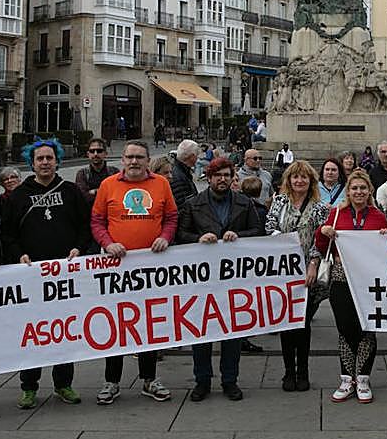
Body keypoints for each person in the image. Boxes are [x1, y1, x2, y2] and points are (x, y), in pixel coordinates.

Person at [1, 139, 90, 409]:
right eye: (40, 158)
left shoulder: (71, 192)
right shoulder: (18, 196)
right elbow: (7, 234)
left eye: (49, 158)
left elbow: (85, 226)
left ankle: (63, 383)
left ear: (57, 161)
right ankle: (29, 386)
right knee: (33, 332)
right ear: (32, 162)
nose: (45, 163)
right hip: (32, 276)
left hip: (64, 275)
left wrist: (79, 247)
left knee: (65, 331)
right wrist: (19, 255)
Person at [91, 140, 177, 405]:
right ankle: (112, 381)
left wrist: (165, 236)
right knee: (116, 324)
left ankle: (149, 378)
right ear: (123, 160)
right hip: (118, 268)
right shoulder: (108, 185)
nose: (134, 162)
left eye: (139, 157)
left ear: (148, 159)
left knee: (148, 324)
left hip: (151, 267)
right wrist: (107, 243)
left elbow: (172, 217)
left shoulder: (161, 184)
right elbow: (97, 220)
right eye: (129, 157)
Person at [177, 156, 262, 401]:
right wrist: (198, 239)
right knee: (201, 332)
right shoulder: (193, 203)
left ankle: (229, 380)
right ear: (209, 178)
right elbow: (181, 235)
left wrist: (240, 235)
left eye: (227, 175)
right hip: (202, 279)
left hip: (234, 279)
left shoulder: (244, 203)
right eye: (218, 176)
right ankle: (202, 380)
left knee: (232, 333)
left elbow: (258, 232)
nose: (222, 179)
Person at [315, 169, 387, 403]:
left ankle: (363, 377)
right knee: (345, 327)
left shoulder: (377, 216)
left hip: (368, 279)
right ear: (349, 191)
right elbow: (321, 243)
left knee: (366, 327)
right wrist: (323, 231)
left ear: (369, 191)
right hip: (341, 277)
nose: (359, 192)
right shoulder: (337, 214)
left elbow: (386, 249)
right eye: (354, 188)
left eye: (363, 188)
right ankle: (347, 377)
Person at [266, 160, 329, 392]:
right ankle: (288, 372)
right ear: (289, 180)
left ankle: (303, 371)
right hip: (283, 270)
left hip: (307, 271)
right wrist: (280, 242)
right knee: (286, 323)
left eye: (304, 177)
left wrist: (313, 263)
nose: (299, 181)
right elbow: (270, 224)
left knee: (302, 324)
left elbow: (320, 239)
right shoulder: (280, 201)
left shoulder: (320, 206)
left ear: (311, 181)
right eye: (295, 177)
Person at [75, 137, 115, 209]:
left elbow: (117, 195)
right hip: (89, 216)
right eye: (92, 151)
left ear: (105, 153)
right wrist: (106, 192)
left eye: (99, 151)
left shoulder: (114, 172)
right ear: (88, 154)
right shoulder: (82, 174)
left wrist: (94, 192)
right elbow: (83, 197)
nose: (95, 154)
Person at [171, 139, 201, 208]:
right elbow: (183, 204)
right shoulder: (178, 175)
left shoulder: (182, 170)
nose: (197, 158)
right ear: (192, 157)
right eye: (197, 155)